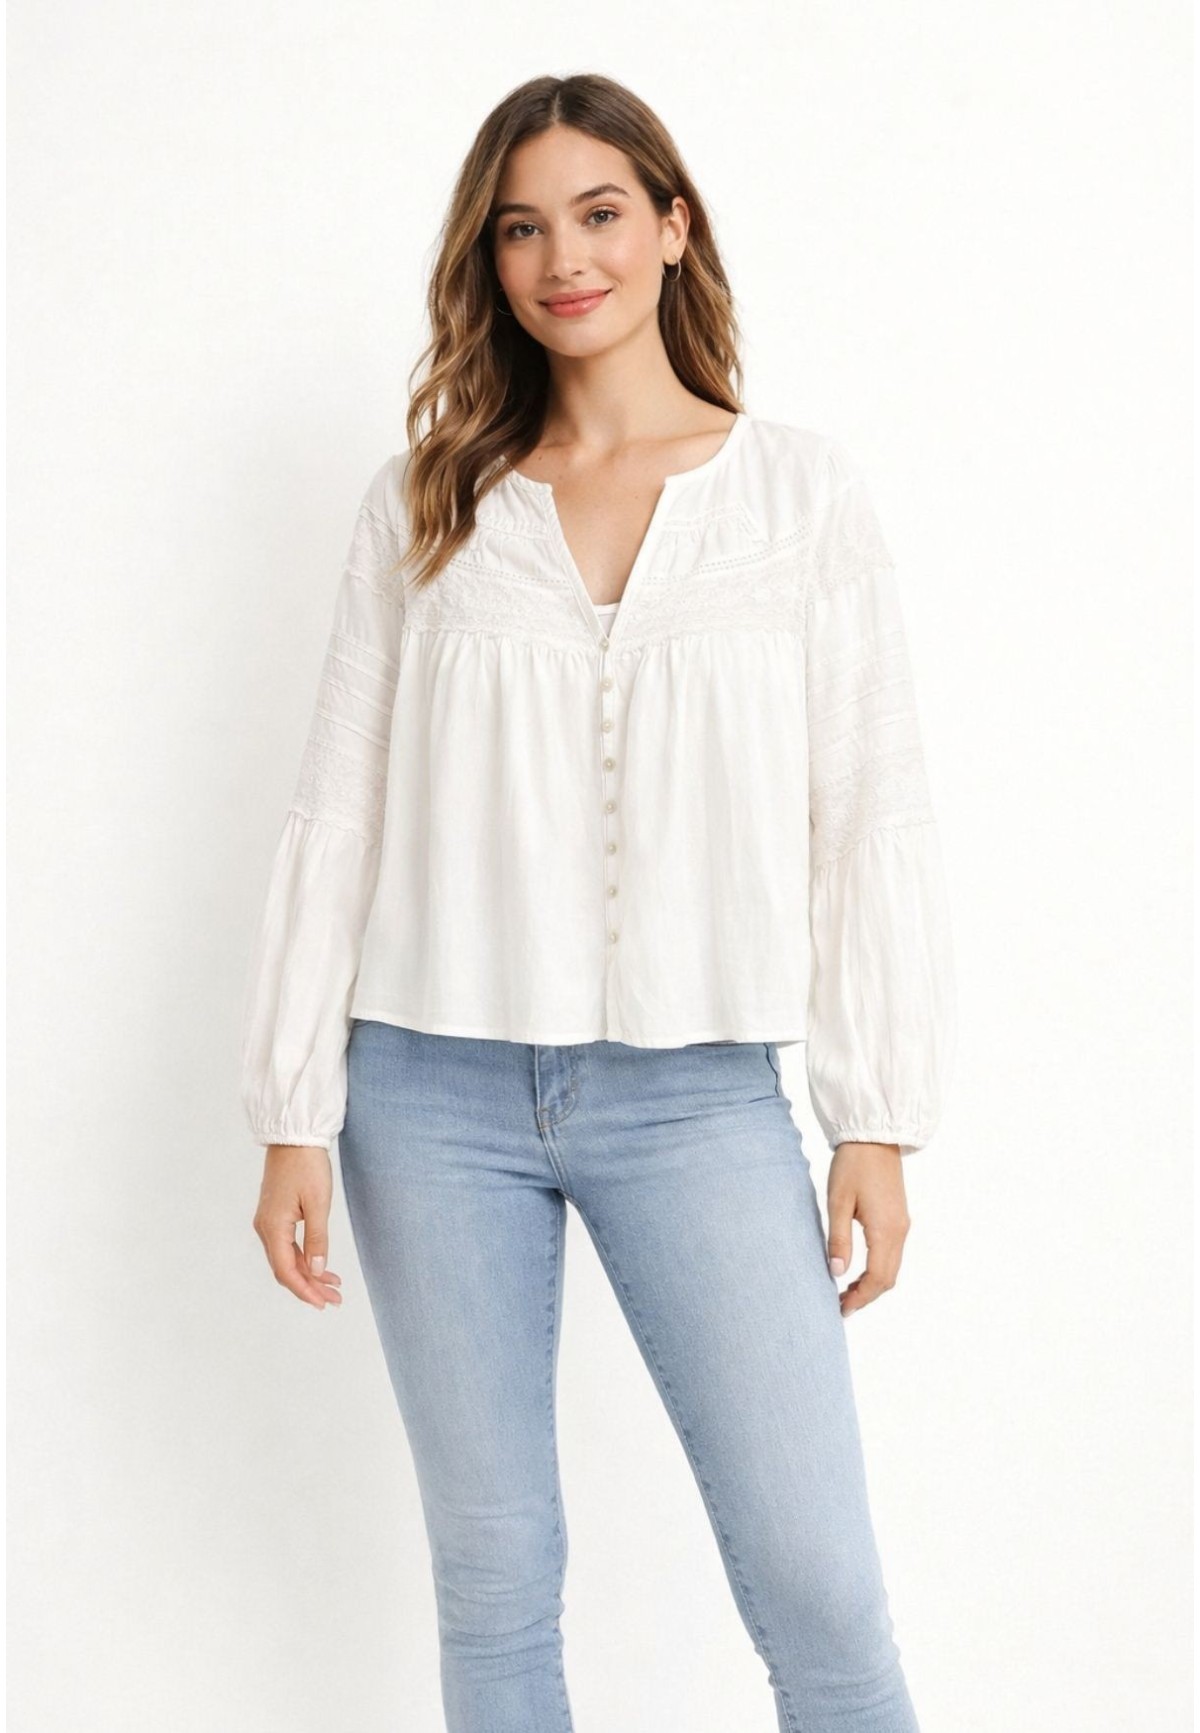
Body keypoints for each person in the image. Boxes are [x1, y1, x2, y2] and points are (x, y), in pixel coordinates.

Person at [239, 71, 955, 1733]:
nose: (564, 258)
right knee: (495, 1579)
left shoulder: (798, 496)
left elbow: (869, 808)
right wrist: (290, 1107)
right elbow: (338, 805)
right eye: (522, 227)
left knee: (820, 1588)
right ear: (488, 261)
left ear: (673, 226)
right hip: (427, 1092)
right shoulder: (429, 500)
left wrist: (876, 1114)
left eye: (601, 212)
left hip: (696, 1093)